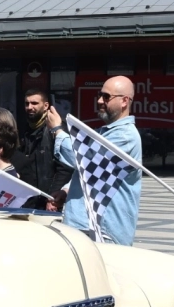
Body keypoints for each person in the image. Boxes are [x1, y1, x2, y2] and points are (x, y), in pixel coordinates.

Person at [46, 76, 143, 245]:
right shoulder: (105, 133)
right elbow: (94, 174)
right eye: (99, 95)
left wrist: (57, 130)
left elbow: (85, 161)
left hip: (103, 232)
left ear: (124, 101)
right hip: (85, 227)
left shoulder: (125, 136)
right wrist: (67, 190)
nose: (99, 101)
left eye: (106, 97)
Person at [16, 87, 74, 197]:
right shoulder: (24, 130)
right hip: (29, 196)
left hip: (49, 196)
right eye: (27, 103)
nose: (29, 107)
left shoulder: (58, 130)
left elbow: (65, 168)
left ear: (46, 106)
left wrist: (53, 195)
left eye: (34, 103)